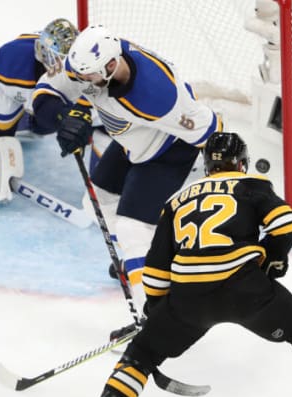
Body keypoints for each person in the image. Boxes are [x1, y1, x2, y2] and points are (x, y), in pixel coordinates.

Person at [96, 132, 292, 397]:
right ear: (242, 163)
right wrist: (272, 259)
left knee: (141, 354)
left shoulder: (175, 201)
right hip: (246, 288)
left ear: (207, 166)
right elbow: (286, 223)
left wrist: (157, 312)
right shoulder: (251, 184)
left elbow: (156, 269)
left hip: (189, 298)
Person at [30, 25, 223, 309]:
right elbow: (46, 92)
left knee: (132, 228)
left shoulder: (160, 96)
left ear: (111, 66)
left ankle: (154, 311)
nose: (80, 80)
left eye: (88, 76)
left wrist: (230, 185)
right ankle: (150, 262)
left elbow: (211, 132)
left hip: (169, 147)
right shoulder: (85, 64)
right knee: (96, 200)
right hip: (130, 138)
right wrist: (63, 117)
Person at [0, 18, 79, 207]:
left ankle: (27, 122)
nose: (61, 66)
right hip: (9, 89)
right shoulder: (13, 63)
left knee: (48, 126)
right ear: (42, 53)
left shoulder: (83, 68)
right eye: (56, 59)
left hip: (36, 92)